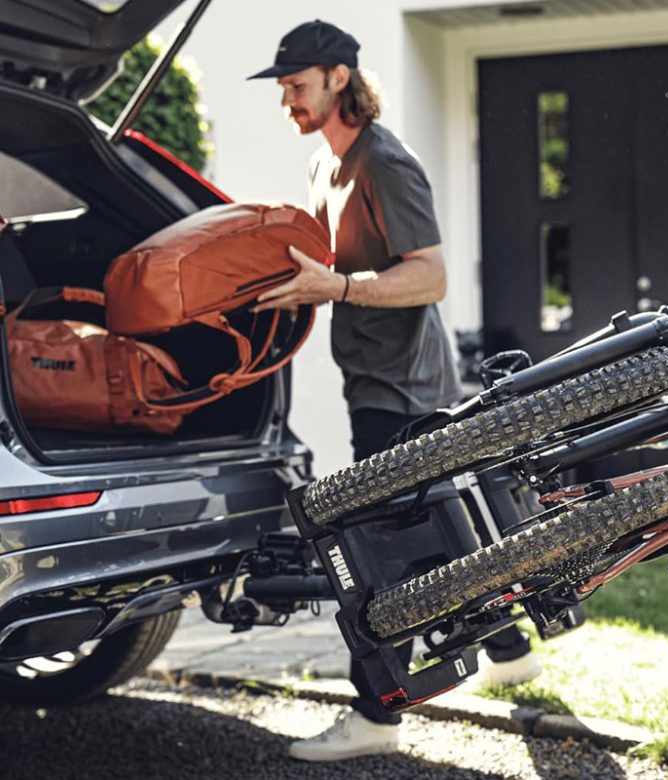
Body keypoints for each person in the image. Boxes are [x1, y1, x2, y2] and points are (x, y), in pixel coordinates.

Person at [248, 19, 542, 763]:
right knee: (438, 538)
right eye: (283, 88)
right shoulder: (326, 167)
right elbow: (327, 269)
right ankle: (512, 650)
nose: (286, 99)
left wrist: (339, 286)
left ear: (338, 78)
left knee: (374, 552)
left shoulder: (385, 163)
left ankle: (375, 714)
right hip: (371, 381)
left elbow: (430, 276)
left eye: (296, 85)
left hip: (406, 391)